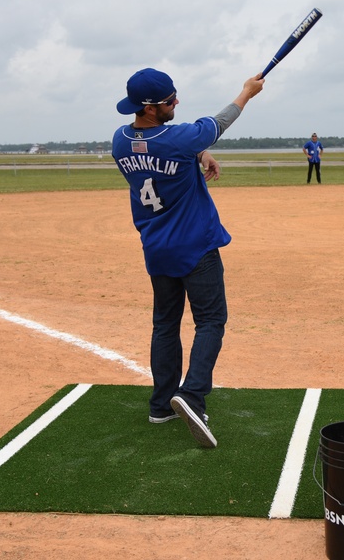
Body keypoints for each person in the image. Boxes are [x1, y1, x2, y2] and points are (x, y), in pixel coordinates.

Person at [112, 67, 265, 449]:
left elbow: (173, 147)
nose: (176, 102)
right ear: (148, 108)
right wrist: (246, 91)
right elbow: (219, 122)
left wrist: (199, 152)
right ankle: (192, 395)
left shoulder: (120, 140)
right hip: (195, 245)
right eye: (168, 101)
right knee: (211, 320)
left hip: (156, 246)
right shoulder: (177, 139)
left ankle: (161, 404)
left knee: (165, 323)